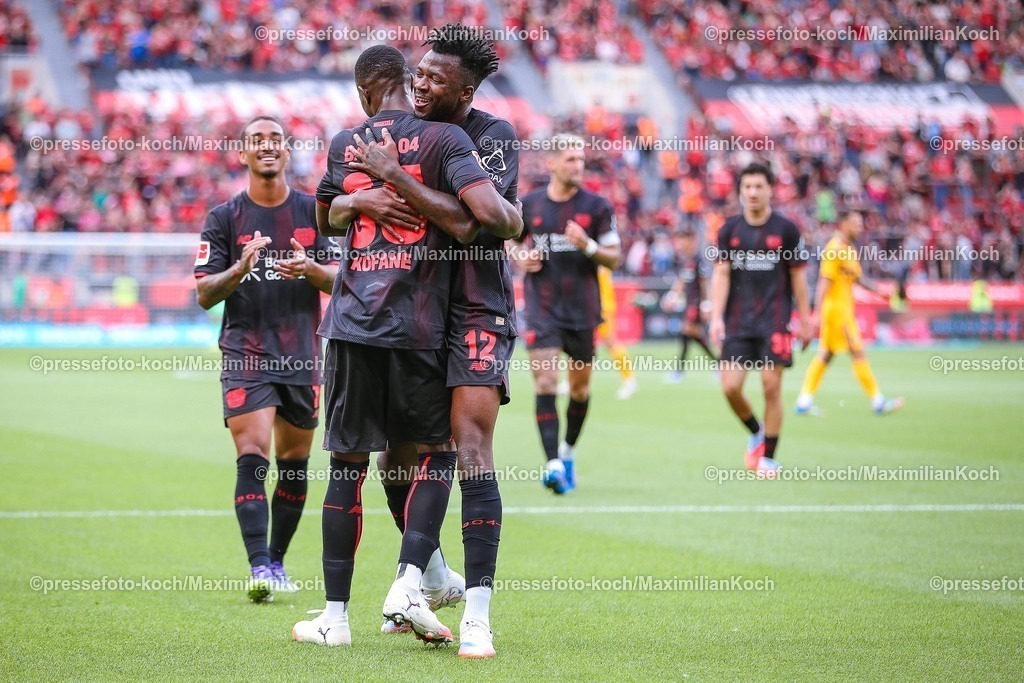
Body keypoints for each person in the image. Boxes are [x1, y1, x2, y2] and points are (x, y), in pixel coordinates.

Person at [291, 44, 521, 648]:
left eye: (434, 79)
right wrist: (356, 199)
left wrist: (391, 177)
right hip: (411, 313)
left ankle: (473, 616)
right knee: (396, 460)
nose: (420, 85)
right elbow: (328, 215)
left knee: (467, 450)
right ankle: (427, 577)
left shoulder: (487, 136)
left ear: (464, 92)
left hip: (472, 308)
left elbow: (481, 222)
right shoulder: (394, 135)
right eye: (417, 74)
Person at [194, 115, 339, 600]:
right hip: (247, 354)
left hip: (302, 355)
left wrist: (310, 268)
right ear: (243, 154)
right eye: (257, 140)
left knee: (294, 463)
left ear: (287, 150)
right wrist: (239, 268)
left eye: (275, 138)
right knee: (252, 453)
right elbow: (204, 294)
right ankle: (259, 565)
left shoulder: (313, 212)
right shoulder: (224, 218)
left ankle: (276, 561)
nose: (267, 146)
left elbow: (344, 281)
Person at [514, 134, 622, 494]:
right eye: (571, 159)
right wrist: (519, 256)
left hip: (582, 312)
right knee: (545, 382)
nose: (578, 166)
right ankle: (553, 464)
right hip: (542, 309)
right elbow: (511, 238)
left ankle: (568, 452)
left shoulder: (596, 206)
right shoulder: (530, 204)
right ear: (552, 163)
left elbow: (614, 257)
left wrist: (587, 244)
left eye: (581, 160)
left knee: (579, 389)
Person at [709, 162, 811, 476]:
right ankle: (756, 431)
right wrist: (716, 317)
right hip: (738, 322)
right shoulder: (728, 230)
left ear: (770, 190)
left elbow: (798, 277)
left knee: (771, 387)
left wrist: (806, 319)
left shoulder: (787, 230)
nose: (752, 192)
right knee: (730, 387)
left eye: (758, 187)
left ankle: (768, 457)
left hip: (775, 320)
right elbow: (721, 274)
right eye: (747, 187)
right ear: (740, 191)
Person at [795, 209, 903, 415]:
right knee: (857, 352)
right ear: (844, 224)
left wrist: (880, 292)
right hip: (837, 314)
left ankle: (804, 401)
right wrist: (816, 313)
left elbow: (858, 278)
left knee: (825, 355)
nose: (860, 228)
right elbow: (823, 282)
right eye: (856, 224)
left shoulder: (848, 249)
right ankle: (878, 401)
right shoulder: (834, 249)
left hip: (842, 311)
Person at [664, 231, 716, 382]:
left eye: (683, 240)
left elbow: (705, 284)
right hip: (689, 303)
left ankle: (679, 371)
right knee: (692, 335)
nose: (680, 244)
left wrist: (706, 305)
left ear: (692, 241)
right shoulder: (686, 260)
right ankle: (718, 364)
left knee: (687, 332)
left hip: (696, 304)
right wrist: (672, 296)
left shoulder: (699, 261)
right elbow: (681, 281)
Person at [595, 265, 638, 399]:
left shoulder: (597, 256)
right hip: (590, 304)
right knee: (577, 340)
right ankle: (570, 382)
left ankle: (629, 380)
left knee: (611, 342)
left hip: (601, 305)